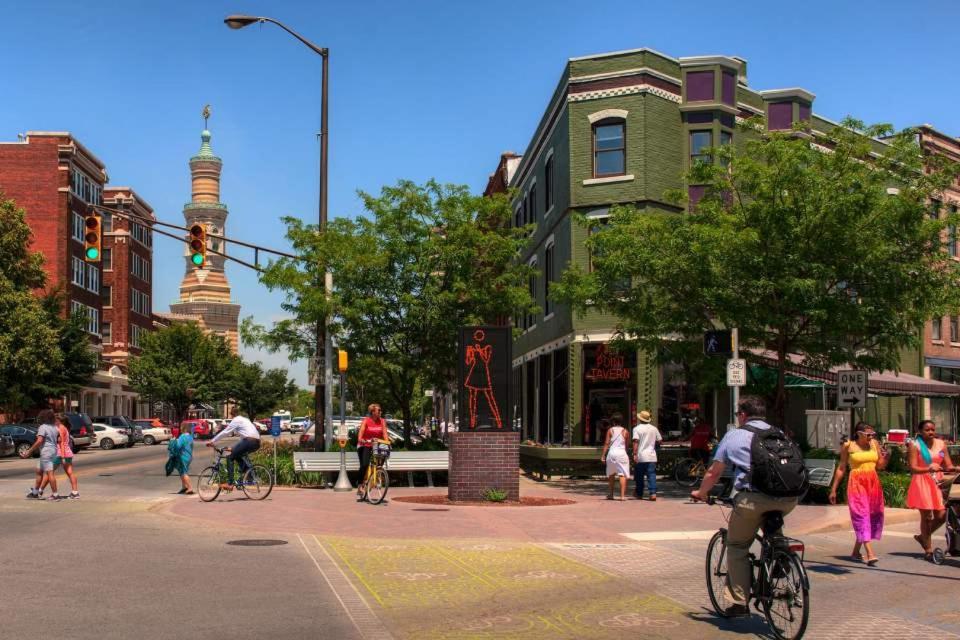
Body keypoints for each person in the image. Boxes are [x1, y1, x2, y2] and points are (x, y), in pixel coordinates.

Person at [691, 395, 799, 617]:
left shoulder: (735, 436)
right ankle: (779, 555)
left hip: (753, 500)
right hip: (789, 498)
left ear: (742, 415)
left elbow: (714, 472)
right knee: (772, 531)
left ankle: (739, 602)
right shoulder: (778, 433)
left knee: (737, 544)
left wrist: (701, 493)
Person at [829, 421, 888, 565]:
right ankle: (870, 553)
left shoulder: (874, 444)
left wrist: (886, 457)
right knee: (862, 515)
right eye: (868, 434)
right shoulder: (848, 445)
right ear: (859, 433)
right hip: (857, 483)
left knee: (873, 515)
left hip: (873, 483)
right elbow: (842, 468)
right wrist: (833, 489)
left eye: (872, 434)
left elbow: (880, 466)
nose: (871, 436)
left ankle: (856, 552)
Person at [907, 420, 956, 561]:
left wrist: (954, 468)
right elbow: (913, 468)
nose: (931, 432)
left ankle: (923, 537)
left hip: (938, 482)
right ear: (920, 431)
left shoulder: (941, 444)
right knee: (927, 517)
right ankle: (928, 549)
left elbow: (948, 465)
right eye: (927, 430)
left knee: (941, 515)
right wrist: (928, 468)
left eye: (933, 429)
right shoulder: (915, 445)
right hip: (921, 482)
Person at [207, 413, 261, 490]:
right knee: (237, 455)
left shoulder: (236, 420)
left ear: (232, 415)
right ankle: (249, 475)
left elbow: (225, 432)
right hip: (257, 442)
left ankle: (230, 483)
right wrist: (233, 448)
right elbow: (243, 439)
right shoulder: (245, 420)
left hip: (249, 441)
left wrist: (212, 441)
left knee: (230, 457)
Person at [22, 409, 61, 501]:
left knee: (49, 473)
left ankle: (55, 494)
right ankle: (35, 492)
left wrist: (29, 451)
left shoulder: (43, 427)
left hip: (46, 451)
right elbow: (58, 439)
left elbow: (40, 440)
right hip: (53, 451)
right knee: (39, 471)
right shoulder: (54, 427)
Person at [356, 404, 389, 501]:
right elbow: (360, 434)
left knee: (382, 457)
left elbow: (385, 434)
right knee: (365, 464)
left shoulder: (382, 421)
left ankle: (377, 473)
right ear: (373, 412)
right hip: (365, 445)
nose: (380, 412)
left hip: (376, 445)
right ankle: (359, 485)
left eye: (380, 410)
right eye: (378, 410)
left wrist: (387, 443)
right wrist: (361, 439)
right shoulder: (366, 421)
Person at [632, 410, 662, 501]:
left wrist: (634, 454)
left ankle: (639, 493)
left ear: (640, 419)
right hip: (651, 456)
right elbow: (660, 440)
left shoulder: (637, 429)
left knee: (639, 476)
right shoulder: (654, 428)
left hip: (641, 456)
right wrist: (654, 445)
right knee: (651, 475)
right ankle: (653, 493)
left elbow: (635, 442)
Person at [601, 413, 631, 501]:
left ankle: (611, 494)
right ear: (621, 421)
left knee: (611, 474)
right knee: (622, 475)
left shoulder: (610, 430)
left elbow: (607, 443)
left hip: (612, 453)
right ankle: (622, 496)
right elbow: (626, 445)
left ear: (613, 421)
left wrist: (603, 455)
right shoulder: (625, 431)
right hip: (621, 453)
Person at [53, 414, 80, 499]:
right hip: (68, 452)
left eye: (55, 420)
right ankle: (75, 492)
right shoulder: (65, 428)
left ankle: (41, 491)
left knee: (49, 472)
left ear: (59, 420)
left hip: (61, 453)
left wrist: (63, 457)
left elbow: (61, 443)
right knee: (70, 472)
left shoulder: (61, 428)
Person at [166, 423, 195, 494]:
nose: (180, 429)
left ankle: (190, 488)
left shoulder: (182, 437)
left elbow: (178, 446)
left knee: (183, 472)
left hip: (183, 456)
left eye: (181, 427)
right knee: (182, 471)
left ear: (184, 428)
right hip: (189, 456)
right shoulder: (190, 437)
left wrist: (173, 441)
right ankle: (184, 487)